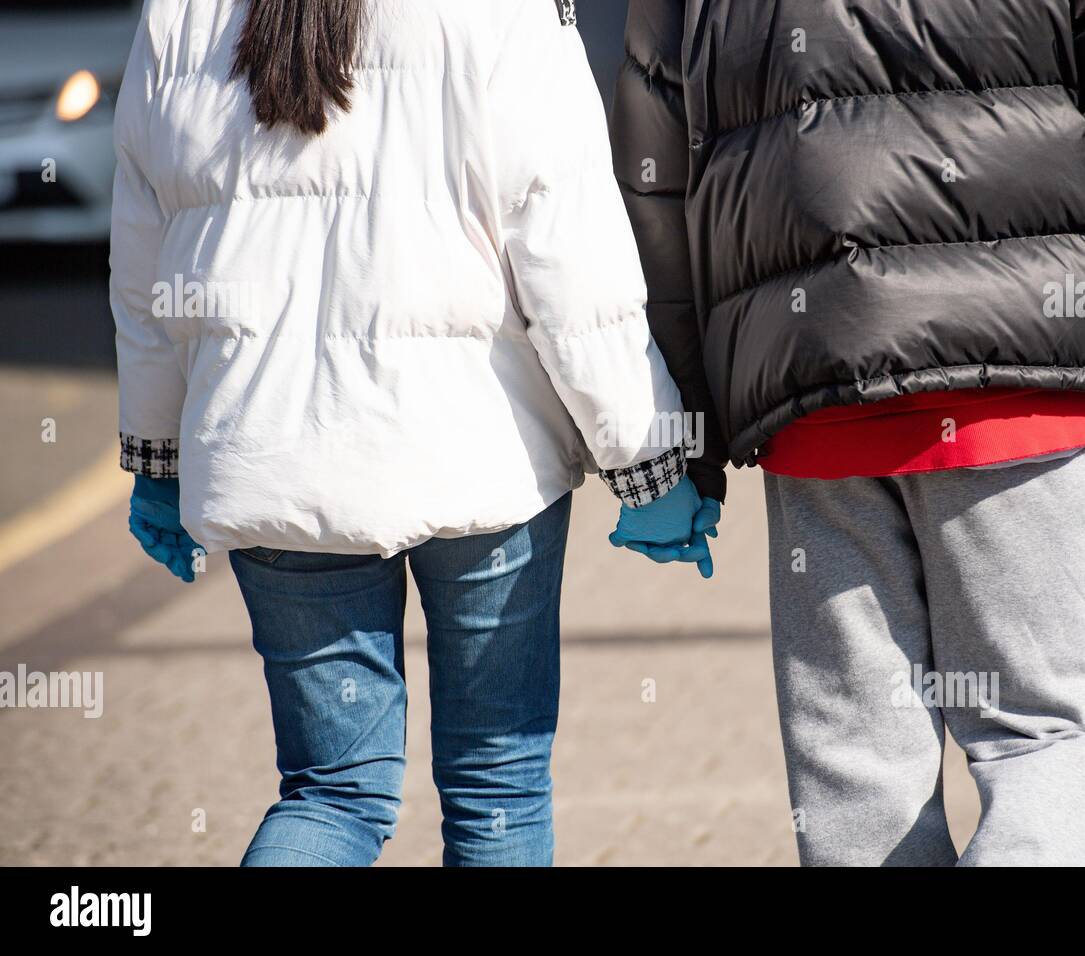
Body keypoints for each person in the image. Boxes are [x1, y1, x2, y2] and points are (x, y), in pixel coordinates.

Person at [613, 0, 1085, 864]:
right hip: (1029, 384)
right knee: (1044, 749)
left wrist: (686, 439)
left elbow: (657, 177)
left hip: (816, 399)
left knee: (858, 789)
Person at [111, 0, 716, 867]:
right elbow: (571, 258)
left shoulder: (178, 14)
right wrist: (649, 466)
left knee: (331, 793)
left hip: (273, 453)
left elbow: (146, 266)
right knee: (497, 783)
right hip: (483, 463)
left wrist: (157, 459)